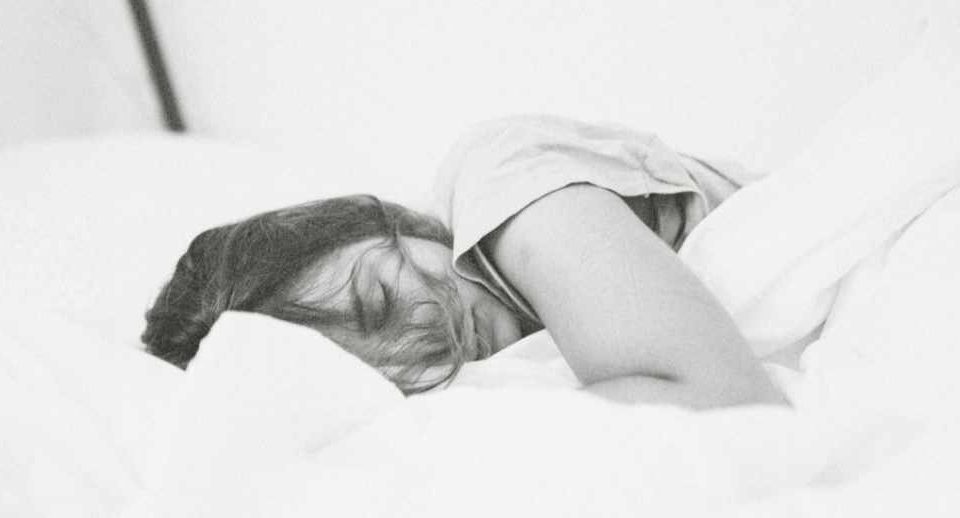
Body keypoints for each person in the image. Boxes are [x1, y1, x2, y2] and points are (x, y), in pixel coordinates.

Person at [142, 115, 786, 409]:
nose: (425, 341)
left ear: (383, 223)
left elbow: (730, 404)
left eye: (380, 299)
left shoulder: (509, 189)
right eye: (381, 374)